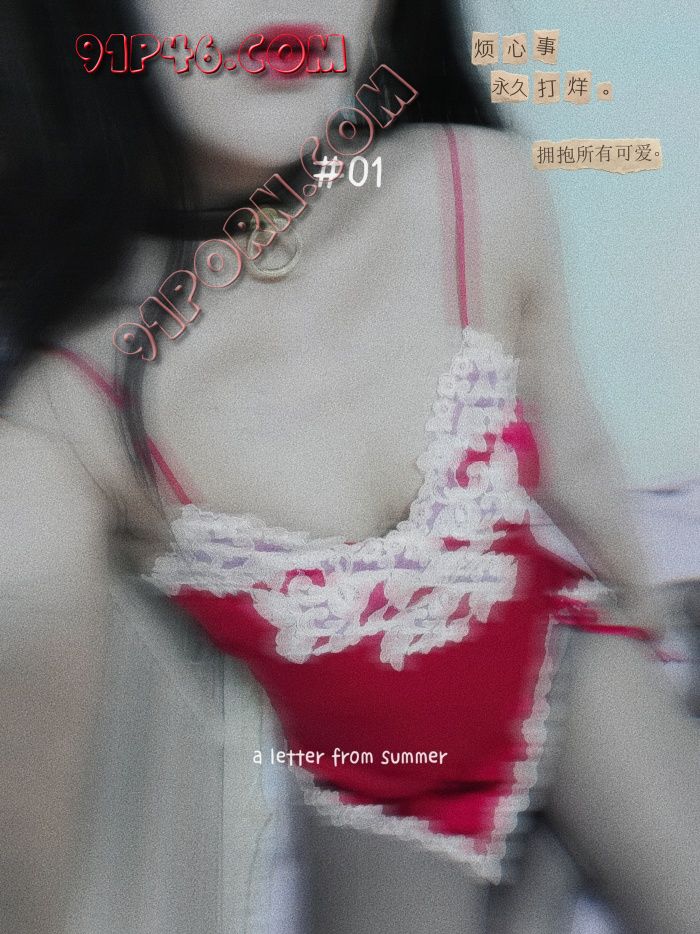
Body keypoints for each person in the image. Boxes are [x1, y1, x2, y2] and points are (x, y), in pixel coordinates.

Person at [1, 1, 698, 932]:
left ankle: (550, 850)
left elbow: (571, 446)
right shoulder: (64, 416)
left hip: (563, 669)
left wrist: (648, 615)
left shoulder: (474, 184)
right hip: (376, 788)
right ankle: (543, 861)